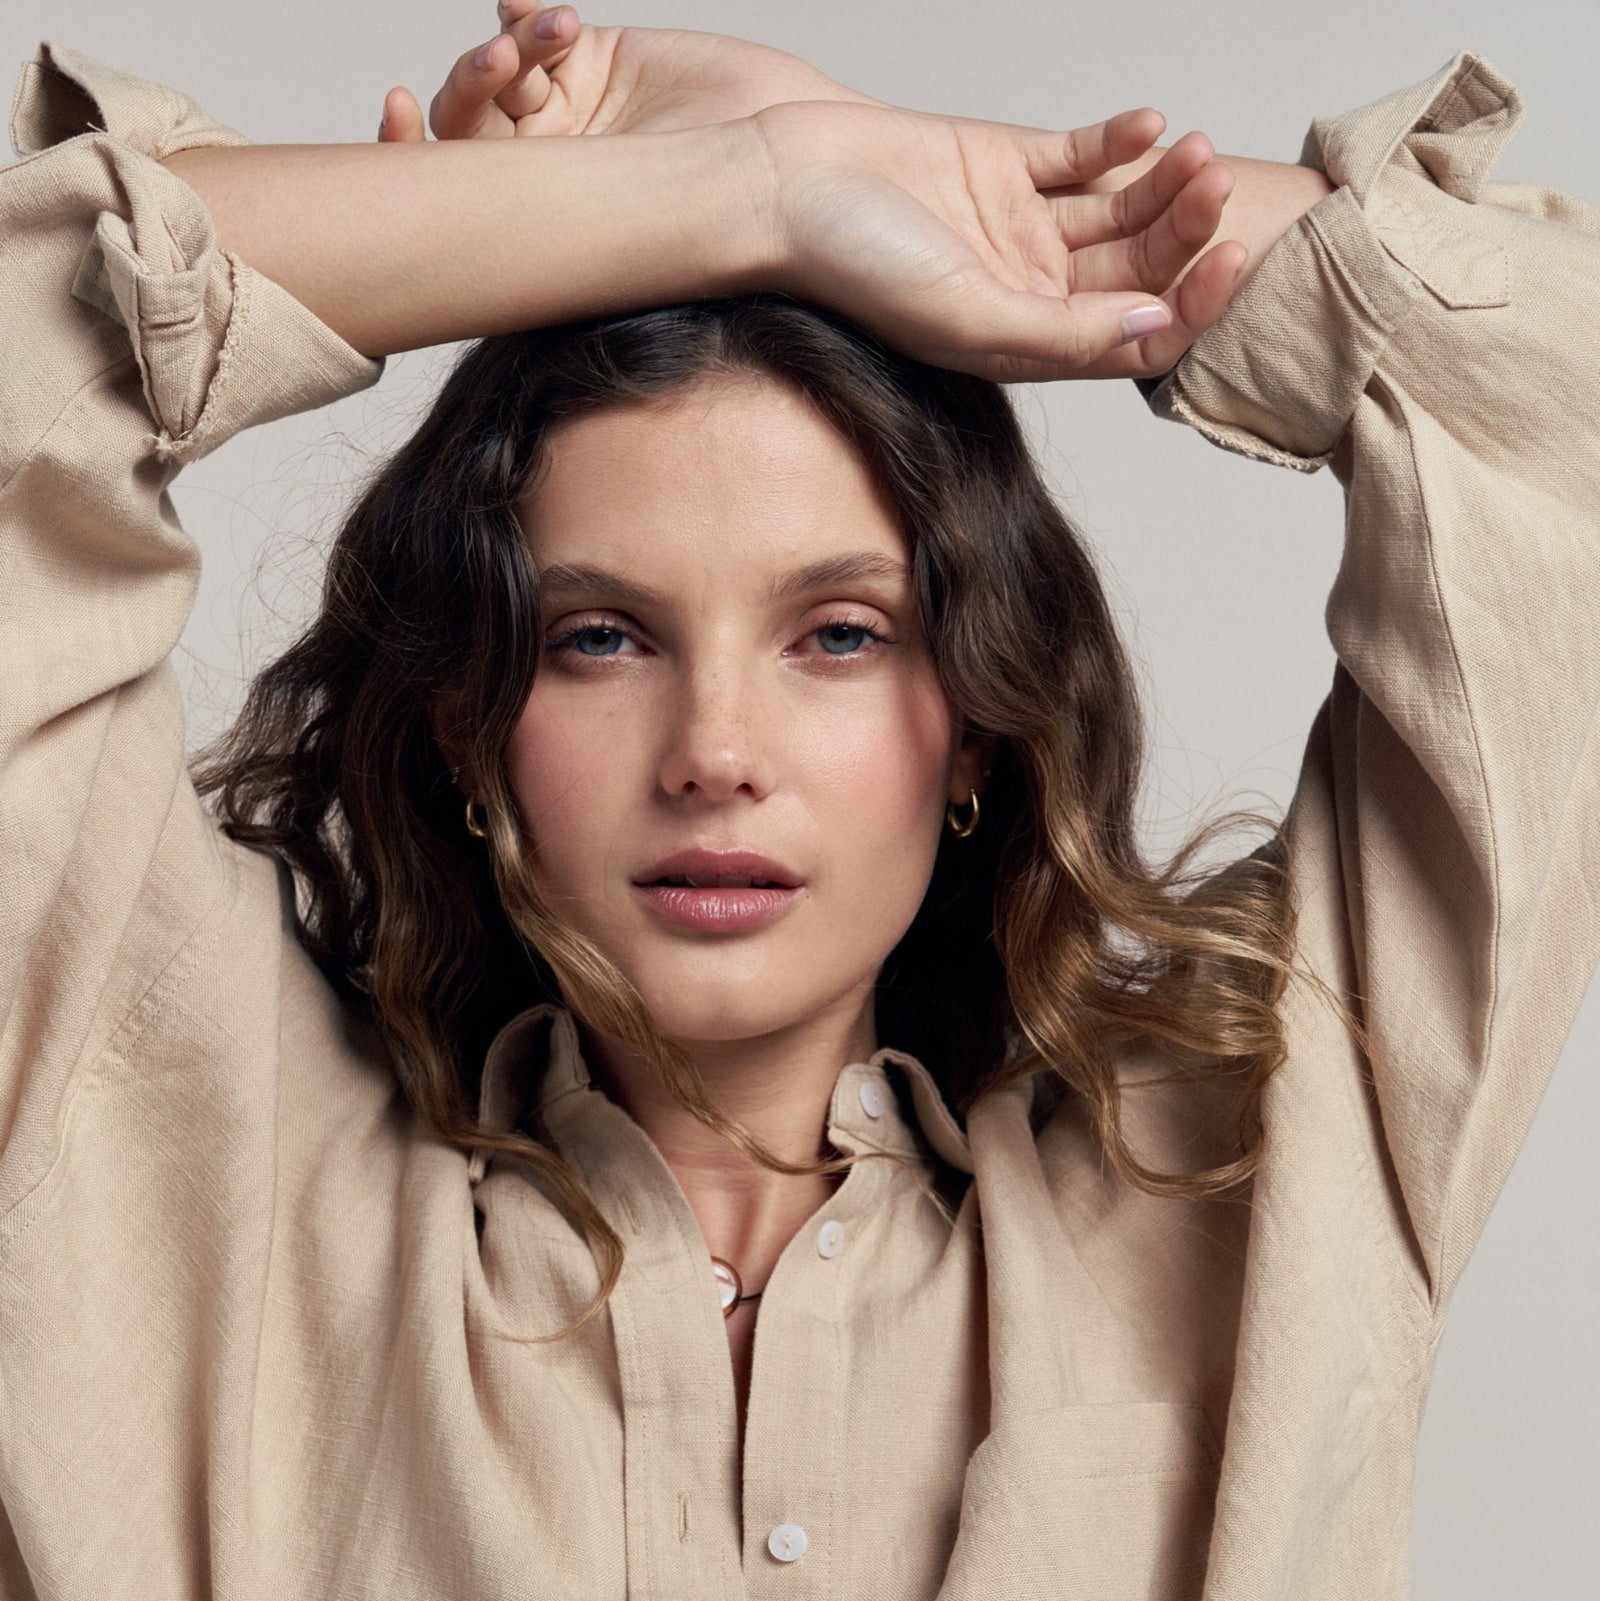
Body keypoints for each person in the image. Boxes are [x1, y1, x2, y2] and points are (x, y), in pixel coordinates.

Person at [0, 6, 1594, 1597]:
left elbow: (1548, 400)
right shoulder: (224, 1199)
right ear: (471, 726)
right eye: (599, 636)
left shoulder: (1231, 1185)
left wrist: (886, 167)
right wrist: (743, 187)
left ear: (972, 725)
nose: (714, 750)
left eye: (837, 634)